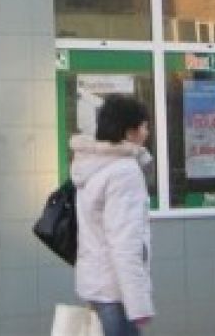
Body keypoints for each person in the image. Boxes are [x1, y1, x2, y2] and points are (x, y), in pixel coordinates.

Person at [70, 94, 155, 335]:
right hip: (116, 292)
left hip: (96, 284)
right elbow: (124, 242)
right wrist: (138, 304)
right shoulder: (124, 171)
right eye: (144, 126)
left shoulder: (91, 165)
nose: (147, 133)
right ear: (129, 132)